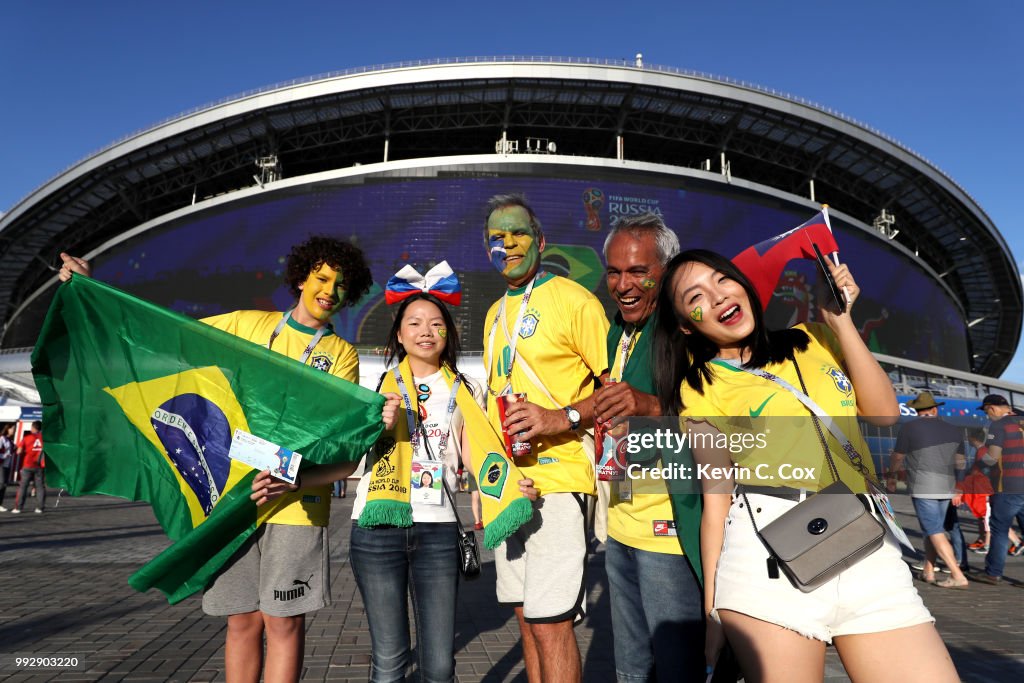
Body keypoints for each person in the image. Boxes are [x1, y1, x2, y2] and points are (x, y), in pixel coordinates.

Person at [60, 240, 400, 683]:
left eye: (341, 285)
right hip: (232, 494)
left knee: (284, 621)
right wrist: (93, 290)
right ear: (301, 278)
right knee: (241, 620)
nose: (330, 291)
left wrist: (291, 478)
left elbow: (340, 455)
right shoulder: (245, 324)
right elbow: (166, 335)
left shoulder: (341, 354)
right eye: (322, 279)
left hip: (295, 504)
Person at [653, 249, 959, 682]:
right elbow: (716, 496)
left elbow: (884, 414)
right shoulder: (700, 388)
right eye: (695, 295)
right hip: (765, 561)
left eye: (722, 280)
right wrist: (713, 610)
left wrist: (841, 321)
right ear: (687, 324)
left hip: (867, 550)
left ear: (742, 284)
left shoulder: (816, 338)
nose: (718, 296)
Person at [483, 194, 608, 682]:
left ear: (540, 241)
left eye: (517, 233)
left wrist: (562, 417)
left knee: (551, 622)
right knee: (525, 617)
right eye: (497, 237)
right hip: (509, 487)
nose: (508, 244)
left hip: (560, 481)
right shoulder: (495, 313)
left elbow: (616, 389)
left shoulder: (576, 300)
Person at [592, 213, 704, 681]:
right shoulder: (617, 331)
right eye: (614, 272)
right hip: (621, 525)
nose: (623, 284)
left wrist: (654, 405)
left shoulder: (690, 332)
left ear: (667, 269)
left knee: (678, 668)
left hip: (669, 532)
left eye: (639, 271)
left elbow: (725, 423)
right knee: (631, 668)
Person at [890, 391, 969, 588]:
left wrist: (892, 477)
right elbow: (960, 461)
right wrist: (959, 486)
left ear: (917, 411)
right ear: (935, 409)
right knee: (933, 529)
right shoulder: (953, 429)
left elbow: (898, 456)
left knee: (933, 529)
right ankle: (928, 570)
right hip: (948, 486)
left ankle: (957, 574)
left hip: (923, 486)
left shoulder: (909, 428)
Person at [976, 394, 1024, 584]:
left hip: (1008, 486)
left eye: (987, 412)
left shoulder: (999, 424)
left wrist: (981, 463)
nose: (988, 416)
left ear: (993, 408)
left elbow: (992, 457)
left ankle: (993, 573)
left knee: (1000, 529)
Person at [12, 420, 45, 514]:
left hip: (28, 465)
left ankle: (18, 508)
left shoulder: (27, 438)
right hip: (39, 466)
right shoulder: (44, 439)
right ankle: (40, 508)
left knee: (23, 486)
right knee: (40, 487)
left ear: (33, 427)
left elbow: (19, 451)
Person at [0, 423, 14, 511]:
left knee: (4, 485)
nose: (14, 430)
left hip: (7, 464)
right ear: (7, 429)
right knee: (1, 484)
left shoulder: (9, 440)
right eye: (12, 428)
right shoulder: (2, 438)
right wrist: (5, 455)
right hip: (1, 464)